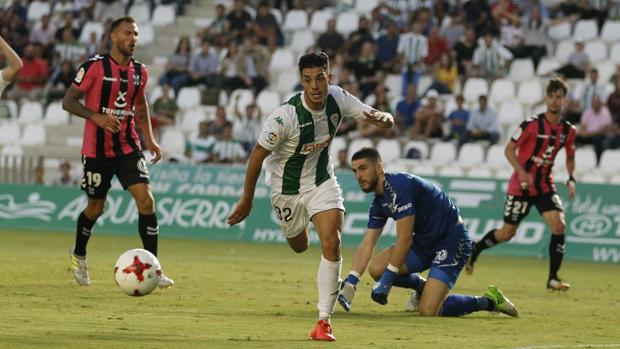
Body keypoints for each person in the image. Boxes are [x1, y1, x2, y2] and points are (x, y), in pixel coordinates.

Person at [227, 51, 394, 342]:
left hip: (321, 181)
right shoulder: (284, 117)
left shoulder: (338, 98)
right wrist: (247, 199)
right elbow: (257, 156)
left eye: (320, 78)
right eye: (308, 80)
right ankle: (309, 239)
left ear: (329, 77)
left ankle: (323, 321)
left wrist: (384, 118)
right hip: (285, 190)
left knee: (332, 241)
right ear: (301, 82)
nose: (315, 86)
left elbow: (372, 114)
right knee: (299, 245)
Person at [337, 147, 518, 318]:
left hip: (452, 241)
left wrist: (388, 280)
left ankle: (489, 301)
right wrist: (352, 281)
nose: (359, 176)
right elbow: (368, 243)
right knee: (377, 269)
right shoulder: (379, 202)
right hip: (424, 242)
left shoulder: (400, 186)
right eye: (355, 171)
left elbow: (405, 239)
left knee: (429, 310)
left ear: (378, 168)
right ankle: (422, 287)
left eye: (363, 169)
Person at [62, 16, 174, 288]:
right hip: (97, 151)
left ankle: (153, 269)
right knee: (95, 208)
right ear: (113, 36)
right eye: (127, 33)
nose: (133, 38)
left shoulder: (140, 72)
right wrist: (96, 117)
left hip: (128, 147)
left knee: (146, 201)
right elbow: (68, 101)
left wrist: (151, 140)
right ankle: (79, 255)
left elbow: (141, 106)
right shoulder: (94, 67)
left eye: (135, 33)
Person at [465, 78, 577, 291]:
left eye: (559, 97)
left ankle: (553, 278)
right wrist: (522, 172)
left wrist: (571, 178)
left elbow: (570, 157)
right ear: (546, 98)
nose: (555, 100)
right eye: (551, 96)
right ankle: (476, 248)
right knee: (507, 233)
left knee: (559, 224)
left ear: (564, 100)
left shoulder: (568, 131)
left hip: (544, 185)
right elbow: (508, 150)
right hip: (521, 186)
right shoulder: (531, 124)